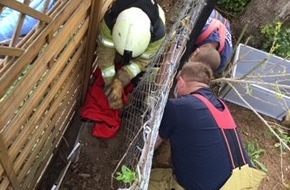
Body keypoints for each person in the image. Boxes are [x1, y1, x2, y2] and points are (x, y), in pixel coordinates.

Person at [149, 61, 265, 189]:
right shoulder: (221, 105)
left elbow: (151, 145)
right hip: (242, 182)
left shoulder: (178, 107)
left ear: (181, 82)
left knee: (145, 182)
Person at [96, 0, 166, 110]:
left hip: (148, 34)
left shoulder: (158, 34)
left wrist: (121, 80)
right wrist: (111, 86)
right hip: (120, 35)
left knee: (140, 74)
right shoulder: (110, 20)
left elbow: (142, 61)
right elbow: (105, 54)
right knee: (114, 60)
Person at [189, 9, 233, 75]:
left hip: (222, 32)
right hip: (215, 18)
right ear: (196, 52)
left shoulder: (223, 61)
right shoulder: (198, 28)